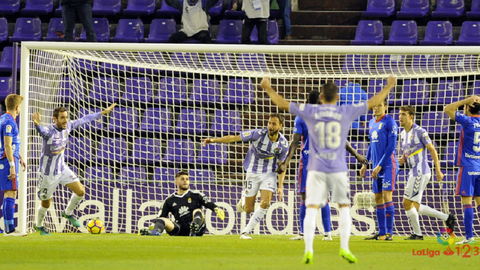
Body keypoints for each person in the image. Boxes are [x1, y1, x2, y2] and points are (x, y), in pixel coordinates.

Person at [261, 75, 396, 264]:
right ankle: (344, 248)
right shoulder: (345, 111)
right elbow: (372, 102)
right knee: (343, 208)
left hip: (316, 167)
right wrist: (389, 85)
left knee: (311, 206)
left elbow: (283, 104)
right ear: (338, 98)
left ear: (321, 98)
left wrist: (268, 88)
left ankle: (308, 249)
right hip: (338, 168)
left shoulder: (310, 112)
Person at [277, 90, 367, 241]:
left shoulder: (302, 116)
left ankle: (305, 232)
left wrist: (286, 162)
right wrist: (356, 154)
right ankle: (326, 233)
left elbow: (295, 142)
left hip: (308, 163)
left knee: (305, 198)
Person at [31, 104, 116, 235]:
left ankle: (68, 213)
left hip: (62, 168)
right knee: (46, 203)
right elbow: (42, 132)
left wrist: (102, 113)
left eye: (66, 117)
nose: (65, 120)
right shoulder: (49, 132)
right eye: (62, 118)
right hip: (48, 174)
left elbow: (84, 119)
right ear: (55, 119)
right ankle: (39, 225)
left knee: (81, 191)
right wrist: (37, 125)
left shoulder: (69, 126)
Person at [202, 113, 288, 239]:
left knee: (265, 203)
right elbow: (234, 138)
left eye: (274, 123)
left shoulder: (283, 144)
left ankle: (245, 232)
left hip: (269, 174)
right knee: (248, 209)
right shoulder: (257, 134)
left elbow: (282, 167)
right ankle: (243, 199)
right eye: (269, 123)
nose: (270, 126)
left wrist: (280, 186)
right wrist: (214, 140)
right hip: (252, 172)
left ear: (280, 126)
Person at [398, 105, 456, 240]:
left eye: (404, 114)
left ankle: (418, 234)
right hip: (412, 171)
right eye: (400, 114)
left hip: (420, 171)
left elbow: (432, 149)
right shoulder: (402, 134)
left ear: (411, 117)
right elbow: (408, 153)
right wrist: (403, 159)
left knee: (406, 203)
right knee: (415, 205)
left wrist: (438, 170)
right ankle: (447, 218)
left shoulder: (420, 131)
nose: (400, 117)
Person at [140, 171, 225, 236]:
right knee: (162, 220)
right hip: (179, 228)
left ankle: (194, 227)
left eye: (187, 179)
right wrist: (153, 225)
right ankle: (156, 232)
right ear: (176, 182)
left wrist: (216, 208)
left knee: (198, 211)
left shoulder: (196, 195)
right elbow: (161, 216)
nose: (185, 181)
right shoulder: (169, 200)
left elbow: (208, 203)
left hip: (198, 228)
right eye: (182, 179)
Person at [361, 99, 399, 241]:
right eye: (374, 105)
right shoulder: (371, 123)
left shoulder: (390, 122)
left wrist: (380, 165)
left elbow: (391, 147)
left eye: (379, 105)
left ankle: (389, 233)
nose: (376, 108)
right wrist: (366, 163)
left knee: (387, 196)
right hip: (375, 166)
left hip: (388, 165)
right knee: (377, 198)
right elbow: (371, 144)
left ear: (385, 107)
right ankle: (381, 232)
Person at [444, 95, 480, 245]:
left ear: (468, 108)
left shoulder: (468, 121)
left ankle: (469, 236)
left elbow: (447, 109)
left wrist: (467, 100)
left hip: (467, 166)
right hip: (479, 165)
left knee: (467, 202)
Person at [1, 94, 27, 236]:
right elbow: (7, 145)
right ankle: (9, 230)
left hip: (10, 158)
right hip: (7, 160)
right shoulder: (10, 122)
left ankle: (8, 228)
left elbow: (12, 144)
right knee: (10, 192)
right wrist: (12, 164)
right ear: (17, 107)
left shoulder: (4, 119)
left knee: (10, 192)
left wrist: (20, 157)